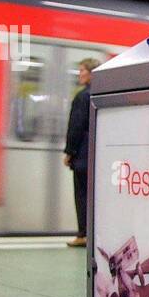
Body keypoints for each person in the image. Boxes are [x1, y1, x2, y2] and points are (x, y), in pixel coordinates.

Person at [63, 57, 99, 247]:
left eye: (82, 70)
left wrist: (69, 152)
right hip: (96, 154)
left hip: (82, 155)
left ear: (91, 73)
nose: (80, 74)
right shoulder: (99, 94)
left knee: (82, 195)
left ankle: (83, 234)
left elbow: (76, 126)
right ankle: (92, 233)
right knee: (93, 197)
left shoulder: (83, 96)